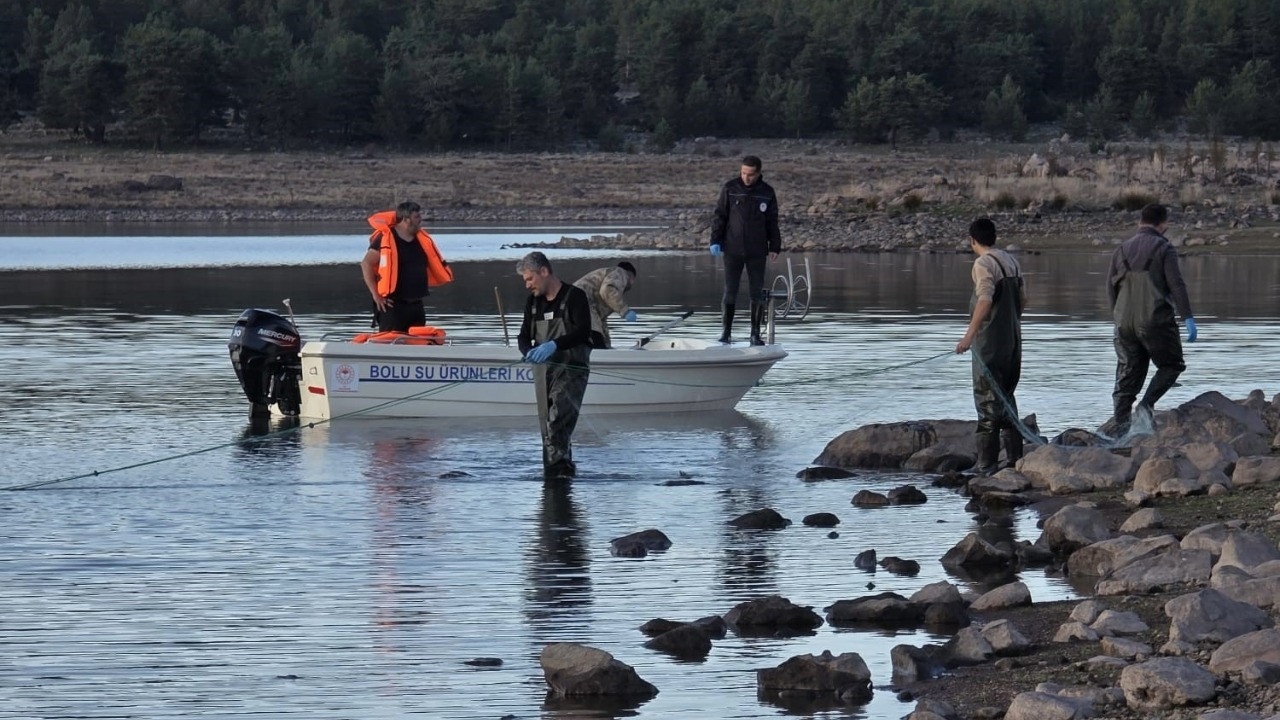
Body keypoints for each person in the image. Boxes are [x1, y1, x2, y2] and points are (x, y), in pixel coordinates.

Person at [1108, 203, 1197, 434]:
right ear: (1163, 224)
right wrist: (1187, 317)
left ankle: (1121, 432)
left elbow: (1111, 287)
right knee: (1171, 365)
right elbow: (1176, 284)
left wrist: (1117, 318)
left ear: (1140, 221)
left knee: (1127, 378)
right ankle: (1145, 407)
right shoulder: (1163, 248)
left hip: (1124, 323)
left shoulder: (1121, 249)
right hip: (1155, 320)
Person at [955, 217, 1027, 475]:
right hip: (1013, 343)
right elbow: (1022, 301)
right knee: (1007, 398)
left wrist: (968, 336)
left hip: (989, 346)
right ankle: (1015, 460)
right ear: (994, 237)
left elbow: (985, 300)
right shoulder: (1012, 261)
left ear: (972, 240)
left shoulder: (983, 263)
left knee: (987, 402)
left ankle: (986, 465)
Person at [517, 251, 593, 481]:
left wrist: (554, 345)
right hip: (543, 373)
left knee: (557, 421)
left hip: (572, 369)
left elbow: (583, 332)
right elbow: (522, 336)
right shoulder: (532, 302)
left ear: (544, 271)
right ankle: (562, 474)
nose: (528, 285)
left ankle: (555, 478)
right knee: (546, 428)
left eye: (530, 279)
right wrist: (527, 351)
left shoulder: (574, 296)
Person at [710, 155, 781, 345]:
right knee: (730, 290)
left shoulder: (767, 192)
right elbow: (720, 216)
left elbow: (772, 221)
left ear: (758, 173)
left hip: (757, 250)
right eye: (743, 173)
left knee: (756, 292)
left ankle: (755, 334)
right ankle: (726, 333)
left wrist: (775, 245)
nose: (746, 178)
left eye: (750, 174)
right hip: (732, 248)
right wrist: (715, 239)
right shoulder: (730, 188)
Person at [360, 201, 452, 332]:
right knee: (390, 345)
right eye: (417, 217)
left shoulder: (421, 239)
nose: (420, 220)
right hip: (393, 306)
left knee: (418, 345)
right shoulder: (385, 238)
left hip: (416, 305)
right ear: (405, 219)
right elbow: (366, 264)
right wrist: (376, 295)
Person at [572, 261, 638, 349]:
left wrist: (607, 345)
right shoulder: (621, 272)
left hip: (572, 303)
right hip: (581, 301)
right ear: (631, 277)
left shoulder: (604, 278)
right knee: (596, 336)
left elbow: (600, 320)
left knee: (595, 338)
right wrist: (625, 311)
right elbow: (607, 290)